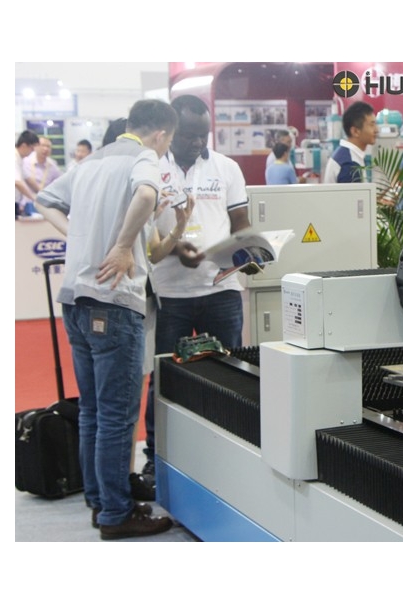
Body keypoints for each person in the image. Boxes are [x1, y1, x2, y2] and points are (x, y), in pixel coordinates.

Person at [35, 98, 178, 539]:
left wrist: (79, 239)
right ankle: (117, 514)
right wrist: (119, 246)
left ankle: (100, 501)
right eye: (168, 141)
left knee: (93, 410)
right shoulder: (144, 158)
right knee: (117, 415)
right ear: (161, 134)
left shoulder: (91, 162)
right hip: (113, 301)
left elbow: (44, 200)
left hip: (75, 301)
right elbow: (147, 194)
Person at [143, 94, 252, 482]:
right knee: (166, 375)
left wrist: (250, 251)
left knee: (229, 373)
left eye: (202, 134)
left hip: (221, 290)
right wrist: (175, 252)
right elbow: (144, 231)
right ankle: (158, 454)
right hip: (171, 292)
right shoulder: (151, 168)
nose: (196, 142)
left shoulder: (226, 168)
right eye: (189, 134)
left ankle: (230, 450)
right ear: (170, 131)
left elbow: (240, 224)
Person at [323, 101, 377, 184]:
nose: (376, 130)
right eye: (372, 125)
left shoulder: (348, 155)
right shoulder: (349, 164)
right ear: (355, 131)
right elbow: (354, 193)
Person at [21, 136, 63, 217]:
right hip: (26, 204)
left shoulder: (53, 166)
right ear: (35, 147)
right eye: (43, 145)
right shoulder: (25, 161)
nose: (45, 149)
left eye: (48, 146)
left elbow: (59, 185)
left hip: (44, 206)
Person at [15, 130, 39, 218]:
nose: (32, 152)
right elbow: (17, 182)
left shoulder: (20, 159)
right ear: (24, 145)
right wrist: (33, 198)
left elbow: (28, 179)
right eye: (32, 149)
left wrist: (41, 193)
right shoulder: (14, 158)